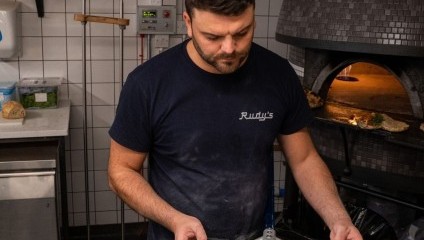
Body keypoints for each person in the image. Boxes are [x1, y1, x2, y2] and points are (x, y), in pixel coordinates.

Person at [108, 0, 363, 239]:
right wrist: (174, 219)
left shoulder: (278, 75)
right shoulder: (148, 84)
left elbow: (304, 159)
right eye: (213, 37)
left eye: (242, 33)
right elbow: (121, 171)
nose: (229, 48)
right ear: (188, 22)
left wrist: (339, 219)